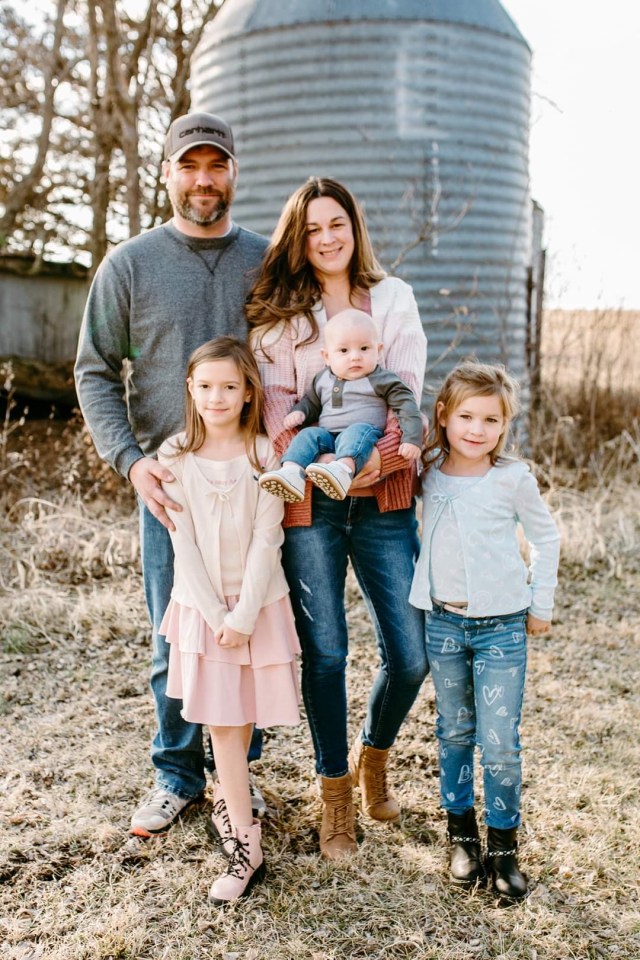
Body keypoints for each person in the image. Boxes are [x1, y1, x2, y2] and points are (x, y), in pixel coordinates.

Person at [74, 111, 269, 837]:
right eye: (189, 165)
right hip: (172, 486)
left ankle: (239, 781)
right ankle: (177, 775)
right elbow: (95, 372)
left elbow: (302, 360)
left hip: (256, 481)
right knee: (176, 637)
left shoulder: (268, 259)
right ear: (167, 174)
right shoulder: (129, 265)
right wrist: (130, 464)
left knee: (254, 629)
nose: (203, 179)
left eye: (216, 165)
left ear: (233, 173)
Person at [247, 176, 429, 860]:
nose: (327, 237)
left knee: (410, 655)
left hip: (383, 498)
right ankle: (334, 796)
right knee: (326, 653)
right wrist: (317, 465)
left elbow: (405, 394)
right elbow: (277, 413)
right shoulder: (279, 320)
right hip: (311, 507)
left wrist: (370, 465)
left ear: (355, 228)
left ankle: (373, 757)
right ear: (298, 237)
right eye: (313, 227)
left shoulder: (394, 300)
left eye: (338, 223)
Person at [408, 360, 560, 903]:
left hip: (501, 628)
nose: (477, 429)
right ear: (443, 416)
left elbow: (547, 537)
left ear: (504, 425)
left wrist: (539, 603)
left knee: (499, 743)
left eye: (491, 420)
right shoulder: (426, 471)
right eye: (466, 416)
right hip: (443, 622)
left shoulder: (511, 478)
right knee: (453, 731)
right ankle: (462, 836)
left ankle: (503, 848)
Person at [157, 337, 300, 904]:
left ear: (248, 394)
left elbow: (271, 541)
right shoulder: (173, 457)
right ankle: (246, 847)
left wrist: (241, 617)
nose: (216, 396)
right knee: (223, 730)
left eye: (230, 387)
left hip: (259, 609)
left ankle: (231, 802)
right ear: (190, 389)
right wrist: (218, 616)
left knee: (239, 728)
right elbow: (182, 545)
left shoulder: (265, 457)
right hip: (203, 612)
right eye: (206, 385)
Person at [258, 308, 422, 502]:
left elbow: (407, 405)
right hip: (329, 438)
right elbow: (311, 402)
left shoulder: (382, 379)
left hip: (365, 435)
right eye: (344, 350)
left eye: (364, 349)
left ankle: (342, 470)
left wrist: (412, 438)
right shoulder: (322, 379)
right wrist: (300, 412)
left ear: (378, 351)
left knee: (355, 431)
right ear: (327, 357)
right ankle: (292, 472)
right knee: (308, 435)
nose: (355, 357)